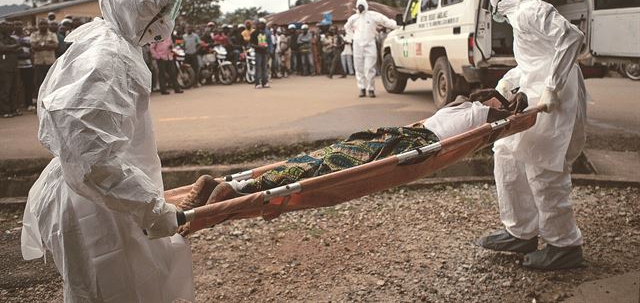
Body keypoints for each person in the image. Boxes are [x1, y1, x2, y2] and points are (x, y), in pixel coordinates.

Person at [20, 0, 195, 302]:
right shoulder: (107, 57)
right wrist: (150, 208)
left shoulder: (116, 45)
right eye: (159, 9)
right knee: (112, 290)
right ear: (138, 9)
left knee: (139, 284)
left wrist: (146, 202)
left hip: (109, 198)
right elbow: (90, 159)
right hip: (92, 205)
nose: (165, 20)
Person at [176, 89, 523, 236]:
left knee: (318, 160)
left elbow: (500, 108)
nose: (492, 100)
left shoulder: (460, 106)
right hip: (408, 143)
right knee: (326, 169)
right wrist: (514, 102)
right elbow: (510, 113)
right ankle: (238, 191)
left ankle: (233, 186)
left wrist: (503, 101)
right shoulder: (480, 113)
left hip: (398, 135)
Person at [476, 0, 587, 271]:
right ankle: (520, 231)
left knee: (544, 168)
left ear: (500, 6)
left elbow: (572, 37)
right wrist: (505, 85)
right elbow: (532, 63)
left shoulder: (529, 10)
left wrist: (552, 85)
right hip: (541, 94)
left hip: (556, 98)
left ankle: (564, 246)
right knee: (506, 152)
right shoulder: (521, 20)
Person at [344, 0, 397, 98]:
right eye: (358, 5)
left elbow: (385, 21)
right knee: (359, 68)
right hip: (357, 45)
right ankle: (362, 88)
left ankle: (371, 89)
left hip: (370, 44)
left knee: (369, 68)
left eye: (362, 5)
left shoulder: (372, 15)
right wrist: (352, 37)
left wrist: (397, 25)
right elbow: (347, 27)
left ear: (365, 6)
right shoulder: (353, 18)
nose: (360, 7)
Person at [30, 18, 58, 96]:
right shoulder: (34, 34)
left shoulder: (52, 34)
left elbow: (55, 45)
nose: (43, 26)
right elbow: (33, 46)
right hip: (39, 63)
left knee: (51, 82)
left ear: (48, 25)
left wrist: (40, 45)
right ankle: (40, 99)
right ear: (38, 26)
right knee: (39, 82)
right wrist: (47, 45)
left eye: (45, 24)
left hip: (50, 62)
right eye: (41, 24)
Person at [13, 22, 35, 111]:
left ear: (22, 26)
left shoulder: (28, 37)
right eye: (16, 24)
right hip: (16, 65)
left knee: (28, 85)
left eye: (19, 24)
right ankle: (17, 105)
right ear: (14, 26)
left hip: (28, 65)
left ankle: (29, 103)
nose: (18, 26)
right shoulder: (11, 37)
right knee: (17, 86)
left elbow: (32, 50)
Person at [0, 21, 21, 118]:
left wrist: (9, 49)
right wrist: (12, 48)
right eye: (5, 26)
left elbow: (19, 48)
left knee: (14, 89)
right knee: (5, 90)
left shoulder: (12, 39)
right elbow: (2, 48)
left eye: (8, 26)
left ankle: (14, 109)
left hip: (14, 67)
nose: (8, 27)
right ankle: (5, 111)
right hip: (4, 68)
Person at [250, 18, 271, 89]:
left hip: (264, 52)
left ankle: (265, 82)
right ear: (257, 24)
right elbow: (251, 44)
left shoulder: (265, 33)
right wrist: (258, 46)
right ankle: (257, 83)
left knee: (264, 67)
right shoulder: (254, 33)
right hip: (258, 52)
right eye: (260, 24)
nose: (262, 25)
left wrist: (267, 48)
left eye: (263, 24)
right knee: (258, 67)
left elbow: (267, 42)